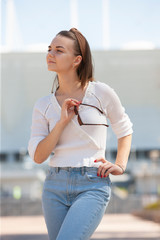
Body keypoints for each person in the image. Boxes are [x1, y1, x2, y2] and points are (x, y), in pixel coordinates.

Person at [28, 28, 133, 240]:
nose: (50, 54)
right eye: (49, 49)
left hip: (92, 184)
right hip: (54, 187)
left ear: (77, 60)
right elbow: (38, 156)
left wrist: (120, 165)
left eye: (59, 50)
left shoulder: (101, 92)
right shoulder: (43, 106)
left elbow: (124, 129)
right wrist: (61, 122)